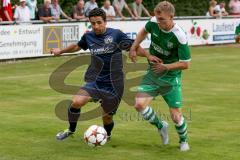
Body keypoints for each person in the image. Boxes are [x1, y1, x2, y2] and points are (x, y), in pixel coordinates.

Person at [51, 8, 145, 141]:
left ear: (105, 22)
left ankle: (107, 135)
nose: (96, 26)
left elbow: (134, 47)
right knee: (76, 101)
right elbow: (77, 46)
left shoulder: (116, 35)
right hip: (96, 80)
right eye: (93, 23)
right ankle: (70, 130)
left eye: (99, 22)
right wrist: (60, 51)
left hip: (114, 84)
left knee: (107, 117)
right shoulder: (89, 36)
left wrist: (148, 55)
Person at [129, 1, 191, 151]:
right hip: (153, 73)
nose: (159, 22)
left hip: (171, 77)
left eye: (162, 19)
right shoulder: (153, 22)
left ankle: (183, 141)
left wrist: (166, 67)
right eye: (157, 19)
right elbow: (143, 31)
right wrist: (133, 47)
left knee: (176, 116)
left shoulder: (179, 36)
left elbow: (185, 64)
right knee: (139, 104)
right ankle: (160, 125)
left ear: (171, 17)